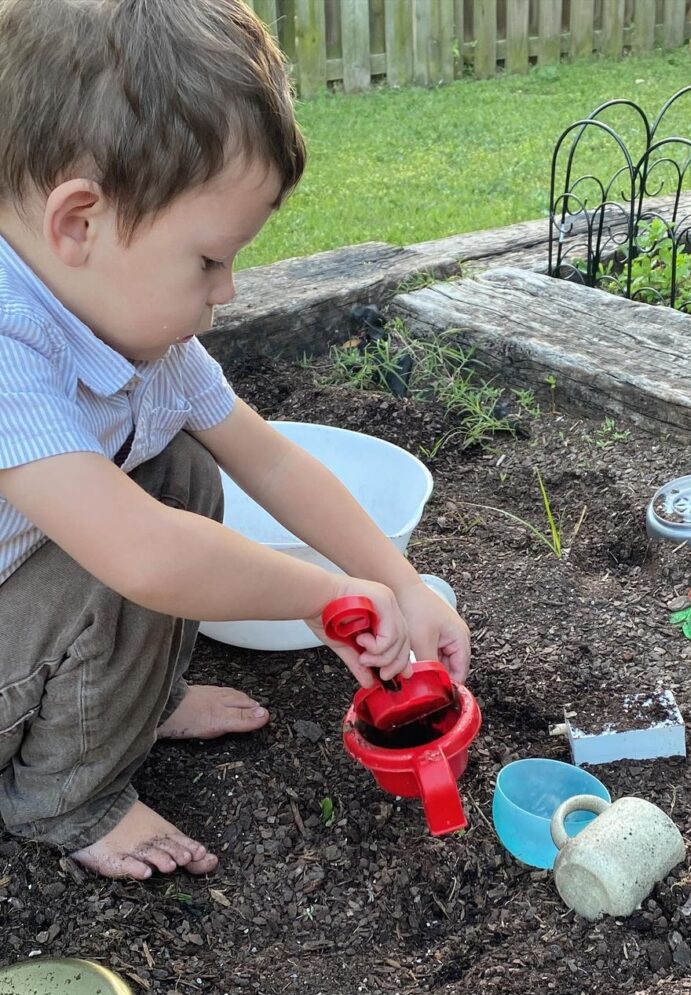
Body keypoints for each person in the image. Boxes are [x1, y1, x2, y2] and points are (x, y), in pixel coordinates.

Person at [0, 0, 470, 882]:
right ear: (78, 224)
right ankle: (67, 798)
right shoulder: (5, 341)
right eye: (209, 260)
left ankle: (132, 703)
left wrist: (402, 584)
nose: (227, 291)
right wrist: (324, 597)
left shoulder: (142, 340)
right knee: (128, 542)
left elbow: (272, 459)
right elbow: (141, 556)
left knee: (179, 466)